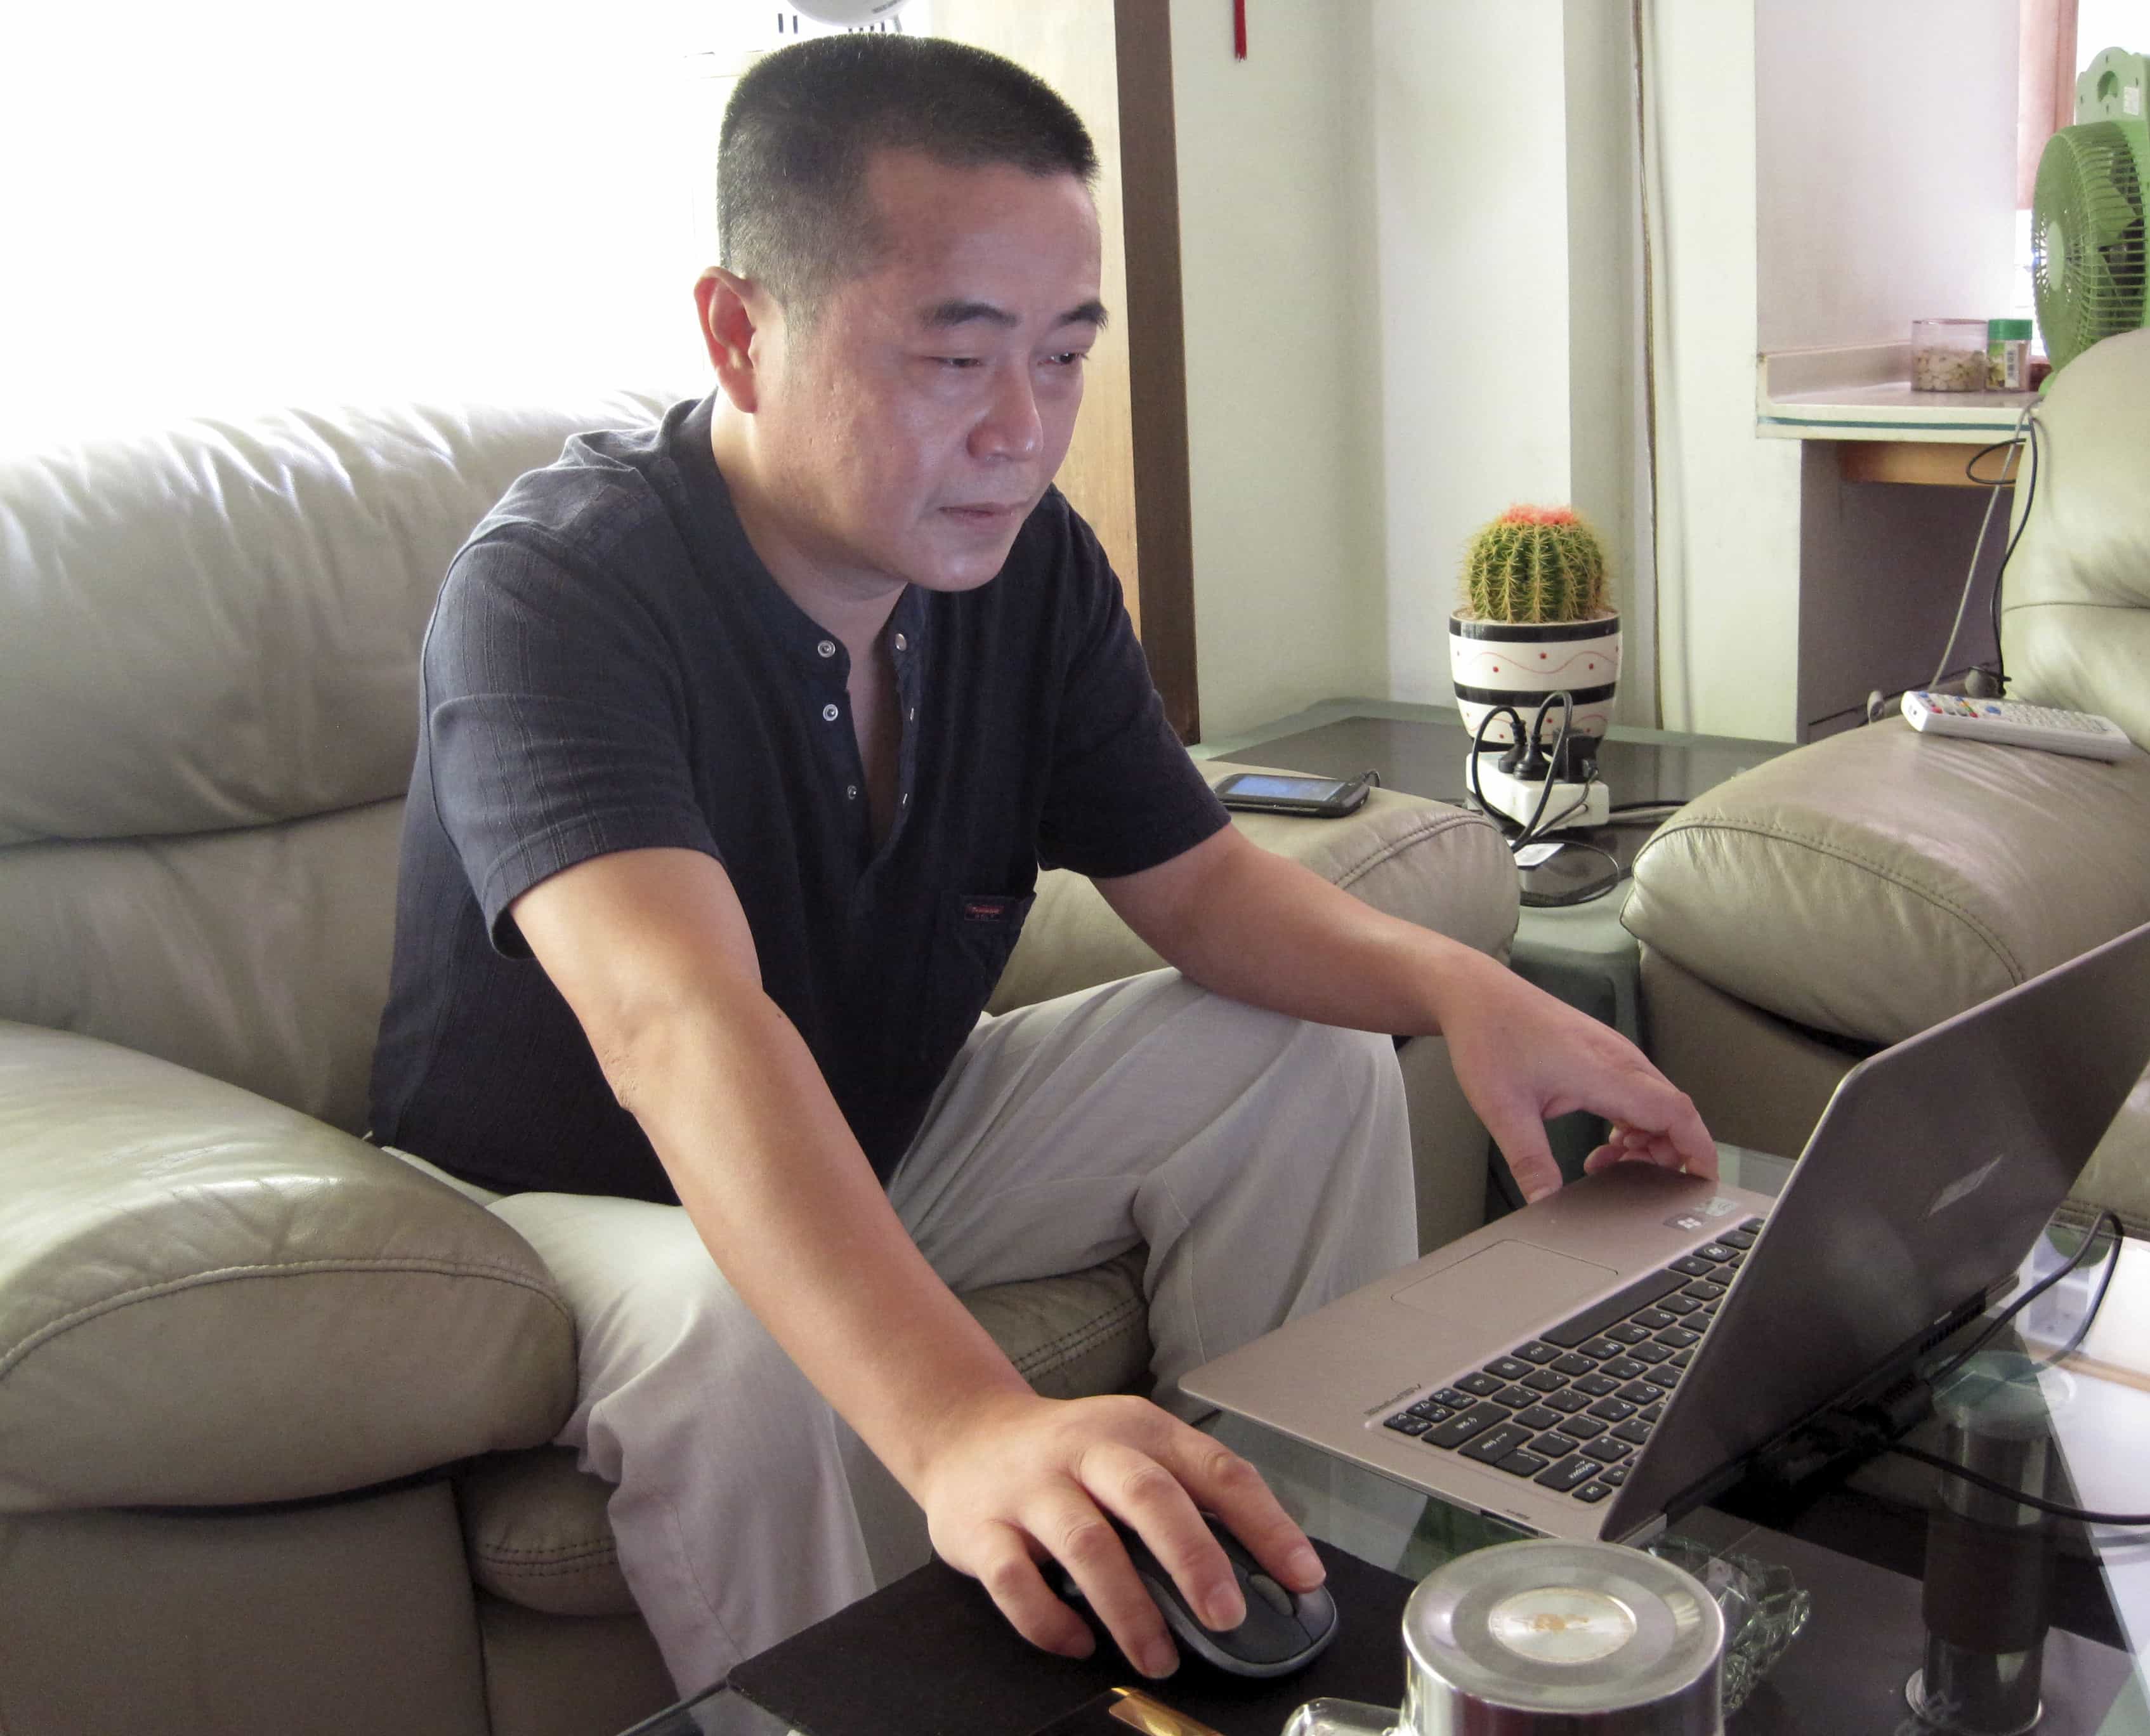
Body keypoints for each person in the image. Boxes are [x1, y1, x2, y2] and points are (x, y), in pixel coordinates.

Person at [368, 32, 1715, 1697]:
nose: (1027, 428)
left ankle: (1300, 1632)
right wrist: (965, 1423)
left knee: (1294, 1058)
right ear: (740, 331)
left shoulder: (1024, 572)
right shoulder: (561, 594)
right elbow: (676, 1026)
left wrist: (1467, 991)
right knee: (739, 1341)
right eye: (956, 357)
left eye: (1065, 357)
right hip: (548, 1211)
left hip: (877, 1134)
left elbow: (1205, 892)